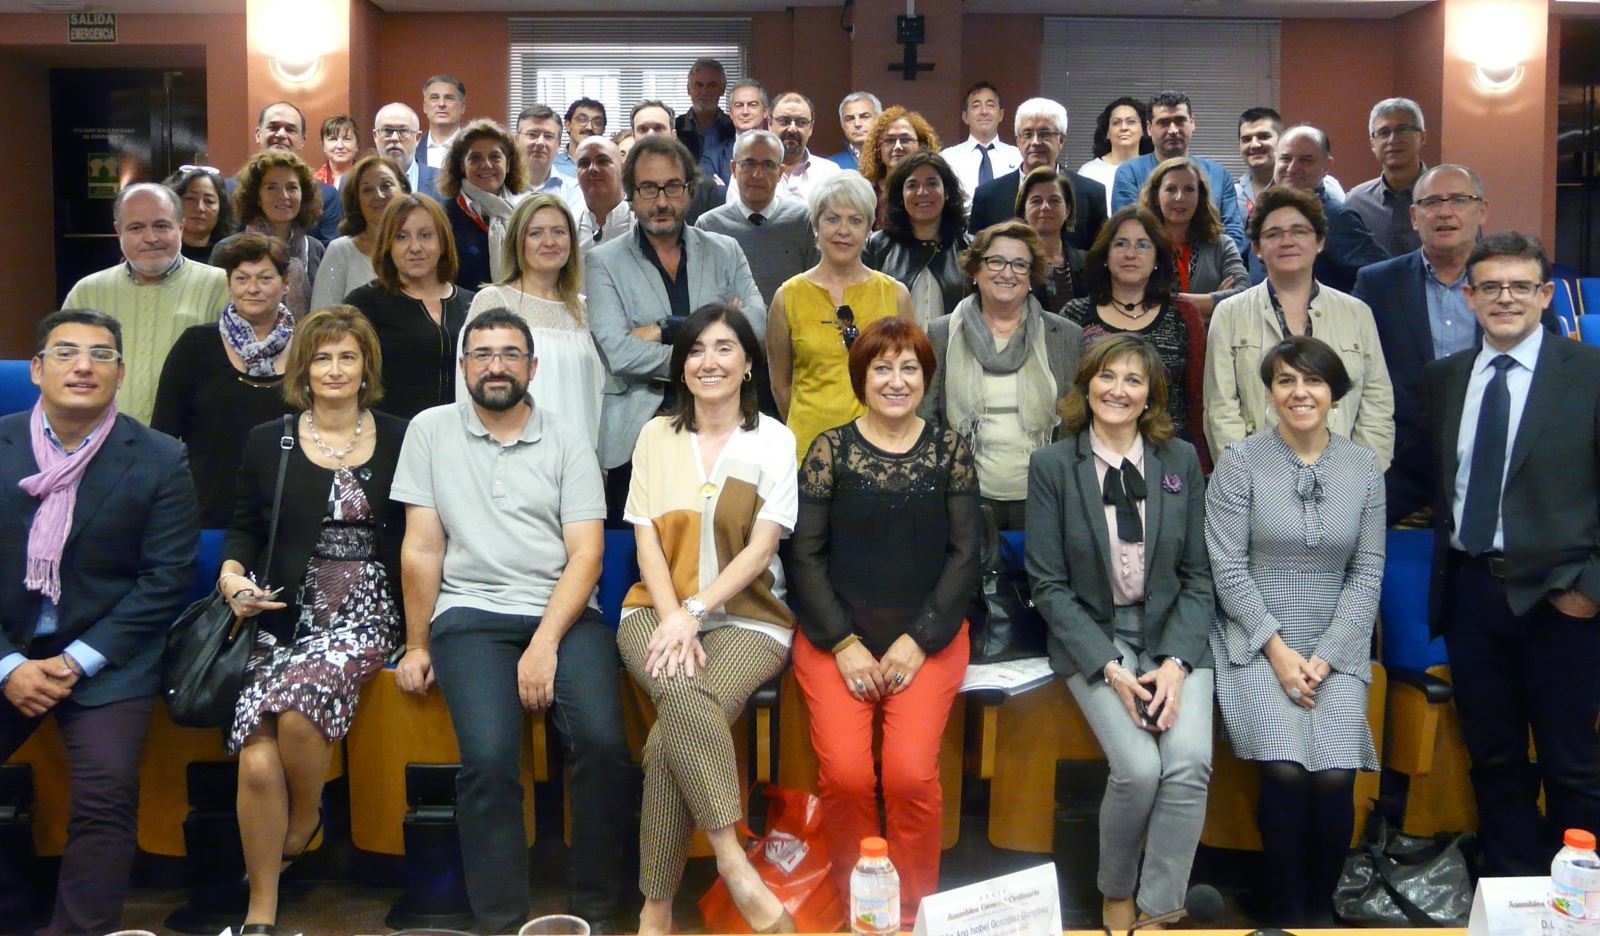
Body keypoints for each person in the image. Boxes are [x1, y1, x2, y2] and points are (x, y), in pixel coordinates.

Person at [391, 308, 633, 934]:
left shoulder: (567, 439)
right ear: (463, 365)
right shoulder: (429, 431)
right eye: (482, 353)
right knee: (491, 761)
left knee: (604, 744)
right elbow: (421, 547)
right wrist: (416, 644)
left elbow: (587, 554)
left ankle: (599, 911)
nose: (495, 365)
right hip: (469, 613)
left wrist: (545, 641)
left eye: (509, 354)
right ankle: (501, 920)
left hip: (566, 612)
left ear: (532, 367)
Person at [0, 308, 198, 936]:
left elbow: (163, 579)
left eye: (100, 354)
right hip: (7, 650)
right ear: (36, 369)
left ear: (119, 371)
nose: (82, 366)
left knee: (105, 798)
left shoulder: (160, 457)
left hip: (107, 658)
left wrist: (75, 659)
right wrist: (8, 665)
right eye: (65, 352)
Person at [219, 306, 406, 936]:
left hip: (365, 609)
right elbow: (244, 525)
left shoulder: (404, 436)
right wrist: (231, 576)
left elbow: (422, 536)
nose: (333, 369)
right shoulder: (266, 439)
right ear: (304, 367)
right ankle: (261, 911)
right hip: (282, 611)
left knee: (298, 709)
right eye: (322, 357)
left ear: (365, 368)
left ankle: (304, 824)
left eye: (346, 356)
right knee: (256, 760)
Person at [1418, 232, 1600, 877]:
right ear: (1468, 296)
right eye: (1490, 286)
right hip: (1472, 596)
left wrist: (1589, 588)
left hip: (1563, 601)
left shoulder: (1589, 374)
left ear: (1546, 295)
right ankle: (1508, 893)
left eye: (1521, 286)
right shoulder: (1444, 381)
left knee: (1571, 763)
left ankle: (1580, 907)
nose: (1505, 298)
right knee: (1493, 760)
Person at [788, 316, 980, 929]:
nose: (896, 381)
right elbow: (805, 556)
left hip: (928, 637)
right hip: (834, 637)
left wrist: (918, 640)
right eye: (881, 367)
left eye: (909, 368)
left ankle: (912, 913)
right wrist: (843, 642)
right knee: (844, 776)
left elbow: (965, 557)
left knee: (907, 775)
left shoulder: (951, 450)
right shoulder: (829, 449)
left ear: (926, 377)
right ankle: (860, 914)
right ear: (860, 377)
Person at [619, 304, 799, 936]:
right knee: (684, 702)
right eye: (696, 350)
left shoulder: (775, 439)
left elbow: (762, 550)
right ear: (682, 365)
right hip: (652, 610)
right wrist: (673, 616)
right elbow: (645, 543)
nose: (709, 362)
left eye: (725, 348)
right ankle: (733, 859)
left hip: (749, 621)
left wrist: (697, 612)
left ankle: (656, 908)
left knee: (674, 733)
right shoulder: (653, 437)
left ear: (749, 364)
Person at [1026, 333, 1213, 933]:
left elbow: (1198, 576)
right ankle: (1114, 889)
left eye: (1134, 380)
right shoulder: (1054, 464)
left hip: (1173, 636)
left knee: (1186, 762)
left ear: (1150, 396)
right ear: (1087, 385)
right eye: (1108, 377)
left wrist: (1177, 664)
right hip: (1096, 640)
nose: (1119, 390)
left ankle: (1160, 910)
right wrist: (1111, 666)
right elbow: (1048, 586)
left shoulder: (1179, 460)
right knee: (1138, 768)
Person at [1207, 335, 1384, 926]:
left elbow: (1368, 571)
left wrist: (1328, 656)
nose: (1299, 392)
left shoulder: (1363, 468)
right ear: (1271, 392)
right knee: (1285, 769)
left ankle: (1319, 911)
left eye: (1312, 381)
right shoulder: (1240, 461)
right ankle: (1282, 914)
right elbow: (1227, 566)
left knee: (1334, 775)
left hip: (1339, 635)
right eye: (1285, 380)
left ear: (1334, 392)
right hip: (1256, 634)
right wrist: (1278, 651)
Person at [585, 134, 765, 522]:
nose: (662, 201)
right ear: (630, 194)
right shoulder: (603, 262)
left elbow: (755, 324)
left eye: (672, 187)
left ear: (689, 190)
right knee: (638, 566)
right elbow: (618, 351)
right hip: (636, 436)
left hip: (723, 430)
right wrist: (715, 343)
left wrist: (663, 329)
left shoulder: (725, 250)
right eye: (649, 189)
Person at [1204, 186, 1394, 470]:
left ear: (1320, 242)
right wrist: (1248, 478)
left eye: (1299, 231)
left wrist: (1359, 477)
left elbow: (1376, 405)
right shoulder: (1229, 313)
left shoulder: (1357, 313)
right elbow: (1220, 408)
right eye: (1273, 234)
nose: (1287, 241)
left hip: (1345, 479)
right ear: (1256, 248)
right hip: (1257, 479)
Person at [922, 220, 1082, 529]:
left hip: (1044, 497)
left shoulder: (1064, 335)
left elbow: (1075, 424)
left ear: (1032, 276)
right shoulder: (941, 333)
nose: (1007, 273)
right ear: (975, 269)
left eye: (1020, 264)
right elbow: (927, 416)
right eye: (996, 261)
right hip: (963, 496)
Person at [152, 233, 297, 527]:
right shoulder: (196, 344)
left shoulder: (309, 347)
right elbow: (163, 435)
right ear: (229, 284)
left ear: (285, 284)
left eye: (265, 278)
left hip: (288, 508)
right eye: (242, 279)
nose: (252, 289)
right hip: (206, 508)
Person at [769, 171, 912, 462]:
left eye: (855, 220)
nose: (843, 230)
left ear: (870, 228)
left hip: (882, 448)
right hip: (808, 450)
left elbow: (911, 375)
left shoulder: (896, 295)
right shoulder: (787, 297)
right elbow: (781, 385)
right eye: (832, 218)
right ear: (815, 225)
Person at [63, 182, 228, 425]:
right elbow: (63, 372)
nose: (150, 238)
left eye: (161, 226)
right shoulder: (87, 292)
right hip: (102, 443)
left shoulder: (221, 287)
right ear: (119, 232)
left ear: (180, 227)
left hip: (190, 447)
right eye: (136, 228)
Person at [458, 193, 604, 450]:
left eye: (559, 232)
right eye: (536, 233)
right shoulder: (493, 301)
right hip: (508, 456)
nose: (549, 242)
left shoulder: (585, 308)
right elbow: (469, 391)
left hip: (579, 456)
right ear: (518, 241)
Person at [1062, 207, 1206, 458]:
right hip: (1089, 454)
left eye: (1142, 245)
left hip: (1168, 454)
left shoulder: (1183, 315)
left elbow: (1197, 398)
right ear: (1105, 254)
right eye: (1120, 244)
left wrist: (1201, 463)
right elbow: (1066, 393)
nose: (1131, 254)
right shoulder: (1074, 315)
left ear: (1158, 258)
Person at [344, 193, 476, 419]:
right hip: (391, 438)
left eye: (425, 235)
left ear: (443, 242)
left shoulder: (474, 303)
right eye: (402, 237)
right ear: (388, 245)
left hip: (463, 438)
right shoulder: (363, 304)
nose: (415, 247)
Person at [1110, 91, 1246, 254]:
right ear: (1149, 128)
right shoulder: (1129, 173)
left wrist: (1211, 270)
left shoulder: (1218, 175)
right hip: (1151, 274)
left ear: (1192, 123)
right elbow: (1127, 232)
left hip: (1211, 273)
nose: (1173, 130)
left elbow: (1235, 236)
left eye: (1180, 121)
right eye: (1164, 122)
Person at [698, 129, 821, 304]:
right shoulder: (709, 226)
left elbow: (817, 288)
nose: (757, 174)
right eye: (748, 163)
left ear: (780, 172)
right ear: (733, 168)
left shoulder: (804, 221)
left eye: (768, 165)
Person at [968, 97, 1107, 251]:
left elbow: (1099, 257)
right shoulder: (987, 195)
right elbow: (976, 256)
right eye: (1027, 134)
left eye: (1044, 134)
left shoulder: (1091, 193)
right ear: (1018, 140)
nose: (1035, 142)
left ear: (1061, 139)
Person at [1265, 126, 1388, 294]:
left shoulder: (1336, 218)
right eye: (1285, 158)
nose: (1292, 168)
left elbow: (1383, 278)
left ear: (1326, 166)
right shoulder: (1264, 213)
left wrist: (1345, 312)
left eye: (1305, 160)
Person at [864, 151, 971, 327]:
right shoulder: (876, 246)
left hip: (953, 351)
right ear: (901, 196)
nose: (922, 192)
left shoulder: (969, 247)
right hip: (893, 351)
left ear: (947, 192)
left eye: (932, 183)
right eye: (912, 185)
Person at [214, 151, 326, 318]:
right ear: (257, 196)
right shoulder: (228, 249)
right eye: (271, 187)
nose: (284, 196)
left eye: (292, 187)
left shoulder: (315, 249)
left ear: (303, 195)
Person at [1138, 156, 1248, 320]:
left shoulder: (1221, 244)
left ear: (1200, 196)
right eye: (1171, 189)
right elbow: (1135, 298)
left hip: (1213, 340)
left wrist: (1170, 302)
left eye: (1189, 189)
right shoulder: (1140, 245)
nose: (1180, 197)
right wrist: (1213, 302)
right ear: (1156, 196)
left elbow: (1244, 292)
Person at [437, 118, 528, 291]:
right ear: (462, 166)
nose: (486, 165)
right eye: (475, 158)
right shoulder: (442, 217)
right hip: (464, 314)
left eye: (495, 157)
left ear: (508, 164)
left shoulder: (524, 213)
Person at [311, 154, 411, 311]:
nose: (378, 195)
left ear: (403, 189)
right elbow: (322, 321)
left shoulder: (421, 248)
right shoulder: (341, 251)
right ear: (357, 199)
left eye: (386, 185)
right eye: (367, 190)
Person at [243, 102, 342, 242]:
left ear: (302, 140)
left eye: (290, 129)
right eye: (273, 127)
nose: (281, 134)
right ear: (258, 134)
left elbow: (328, 255)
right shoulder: (230, 190)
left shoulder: (327, 196)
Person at [1345, 98, 1428, 257]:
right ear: (1372, 144)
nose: (1392, 140)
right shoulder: (1356, 203)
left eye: (1402, 130)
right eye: (1383, 133)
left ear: (1422, 137)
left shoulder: (1446, 196)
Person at [726, 91, 841, 205]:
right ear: (770, 123)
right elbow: (737, 219)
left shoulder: (830, 174)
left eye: (801, 122)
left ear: (811, 128)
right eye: (784, 121)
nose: (792, 129)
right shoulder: (747, 171)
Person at [1235, 108, 1346, 222]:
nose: (1254, 145)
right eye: (1246, 139)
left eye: (1263, 137)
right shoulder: (1232, 192)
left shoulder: (1328, 187)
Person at [631, 100, 725, 225]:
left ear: (673, 135)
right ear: (634, 136)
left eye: (659, 128)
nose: (651, 135)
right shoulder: (622, 185)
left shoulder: (704, 189)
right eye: (643, 129)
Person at [942, 82, 1022, 211]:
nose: (984, 112)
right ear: (965, 116)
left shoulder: (1018, 156)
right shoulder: (947, 158)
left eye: (990, 105)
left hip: (1008, 228)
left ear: (1001, 115)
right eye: (976, 106)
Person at [1017, 167, 1087, 312]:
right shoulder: (1014, 264)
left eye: (1054, 200)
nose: (1045, 207)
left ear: (1067, 210)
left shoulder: (1086, 261)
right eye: (1036, 201)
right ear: (1024, 211)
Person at [1078, 97, 1151, 213]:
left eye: (1131, 121)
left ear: (1144, 130)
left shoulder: (1152, 169)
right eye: (1116, 123)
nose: (1124, 128)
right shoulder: (1088, 171)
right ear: (1107, 132)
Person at [858, 106, 941, 208]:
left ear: (922, 145)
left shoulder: (934, 188)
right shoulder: (865, 192)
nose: (897, 147)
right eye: (889, 140)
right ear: (878, 148)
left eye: (905, 139)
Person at [676, 58, 737, 185]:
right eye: (698, 85)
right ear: (688, 89)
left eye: (712, 85)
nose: (704, 92)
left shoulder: (734, 128)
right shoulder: (674, 128)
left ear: (722, 89)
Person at [572, 135, 634, 252]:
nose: (592, 169)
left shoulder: (642, 222)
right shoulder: (567, 225)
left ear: (622, 168)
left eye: (602, 161)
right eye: (584, 163)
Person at [167, 165, 236, 263]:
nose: (200, 208)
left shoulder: (233, 256)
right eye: (190, 199)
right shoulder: (161, 256)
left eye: (209, 201)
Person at [373, 101, 440, 199]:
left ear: (417, 138)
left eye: (403, 131)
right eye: (387, 130)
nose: (394, 138)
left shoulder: (441, 181)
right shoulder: (354, 181)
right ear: (375, 136)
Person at [515, 104, 581, 201]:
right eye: (532, 134)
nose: (540, 143)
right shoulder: (501, 187)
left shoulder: (574, 190)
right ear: (517, 140)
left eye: (548, 136)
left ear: (558, 145)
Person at [419, 74, 467, 169]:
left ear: (462, 107)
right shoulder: (412, 148)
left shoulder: (474, 147)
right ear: (424, 107)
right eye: (434, 98)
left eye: (449, 98)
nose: (441, 104)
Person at [554, 97, 607, 180]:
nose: (589, 127)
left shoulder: (609, 167)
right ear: (568, 125)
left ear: (603, 129)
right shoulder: (551, 166)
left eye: (597, 122)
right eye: (582, 120)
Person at [829, 91, 881, 171]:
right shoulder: (831, 165)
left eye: (864, 117)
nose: (857, 124)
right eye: (850, 119)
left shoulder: (891, 160)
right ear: (843, 125)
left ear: (879, 120)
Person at [313, 115, 358, 189]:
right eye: (333, 139)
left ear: (357, 145)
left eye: (346, 139)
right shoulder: (312, 182)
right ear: (323, 145)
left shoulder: (366, 178)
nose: (340, 146)